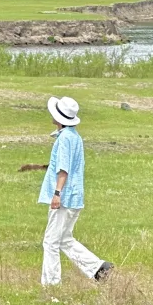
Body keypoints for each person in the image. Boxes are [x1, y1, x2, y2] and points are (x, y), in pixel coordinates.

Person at [38, 95, 113, 287]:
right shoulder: (74, 137)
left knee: (51, 242)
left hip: (64, 197)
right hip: (74, 196)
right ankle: (98, 268)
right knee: (64, 239)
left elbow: (63, 168)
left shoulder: (65, 140)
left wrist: (57, 193)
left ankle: (51, 284)